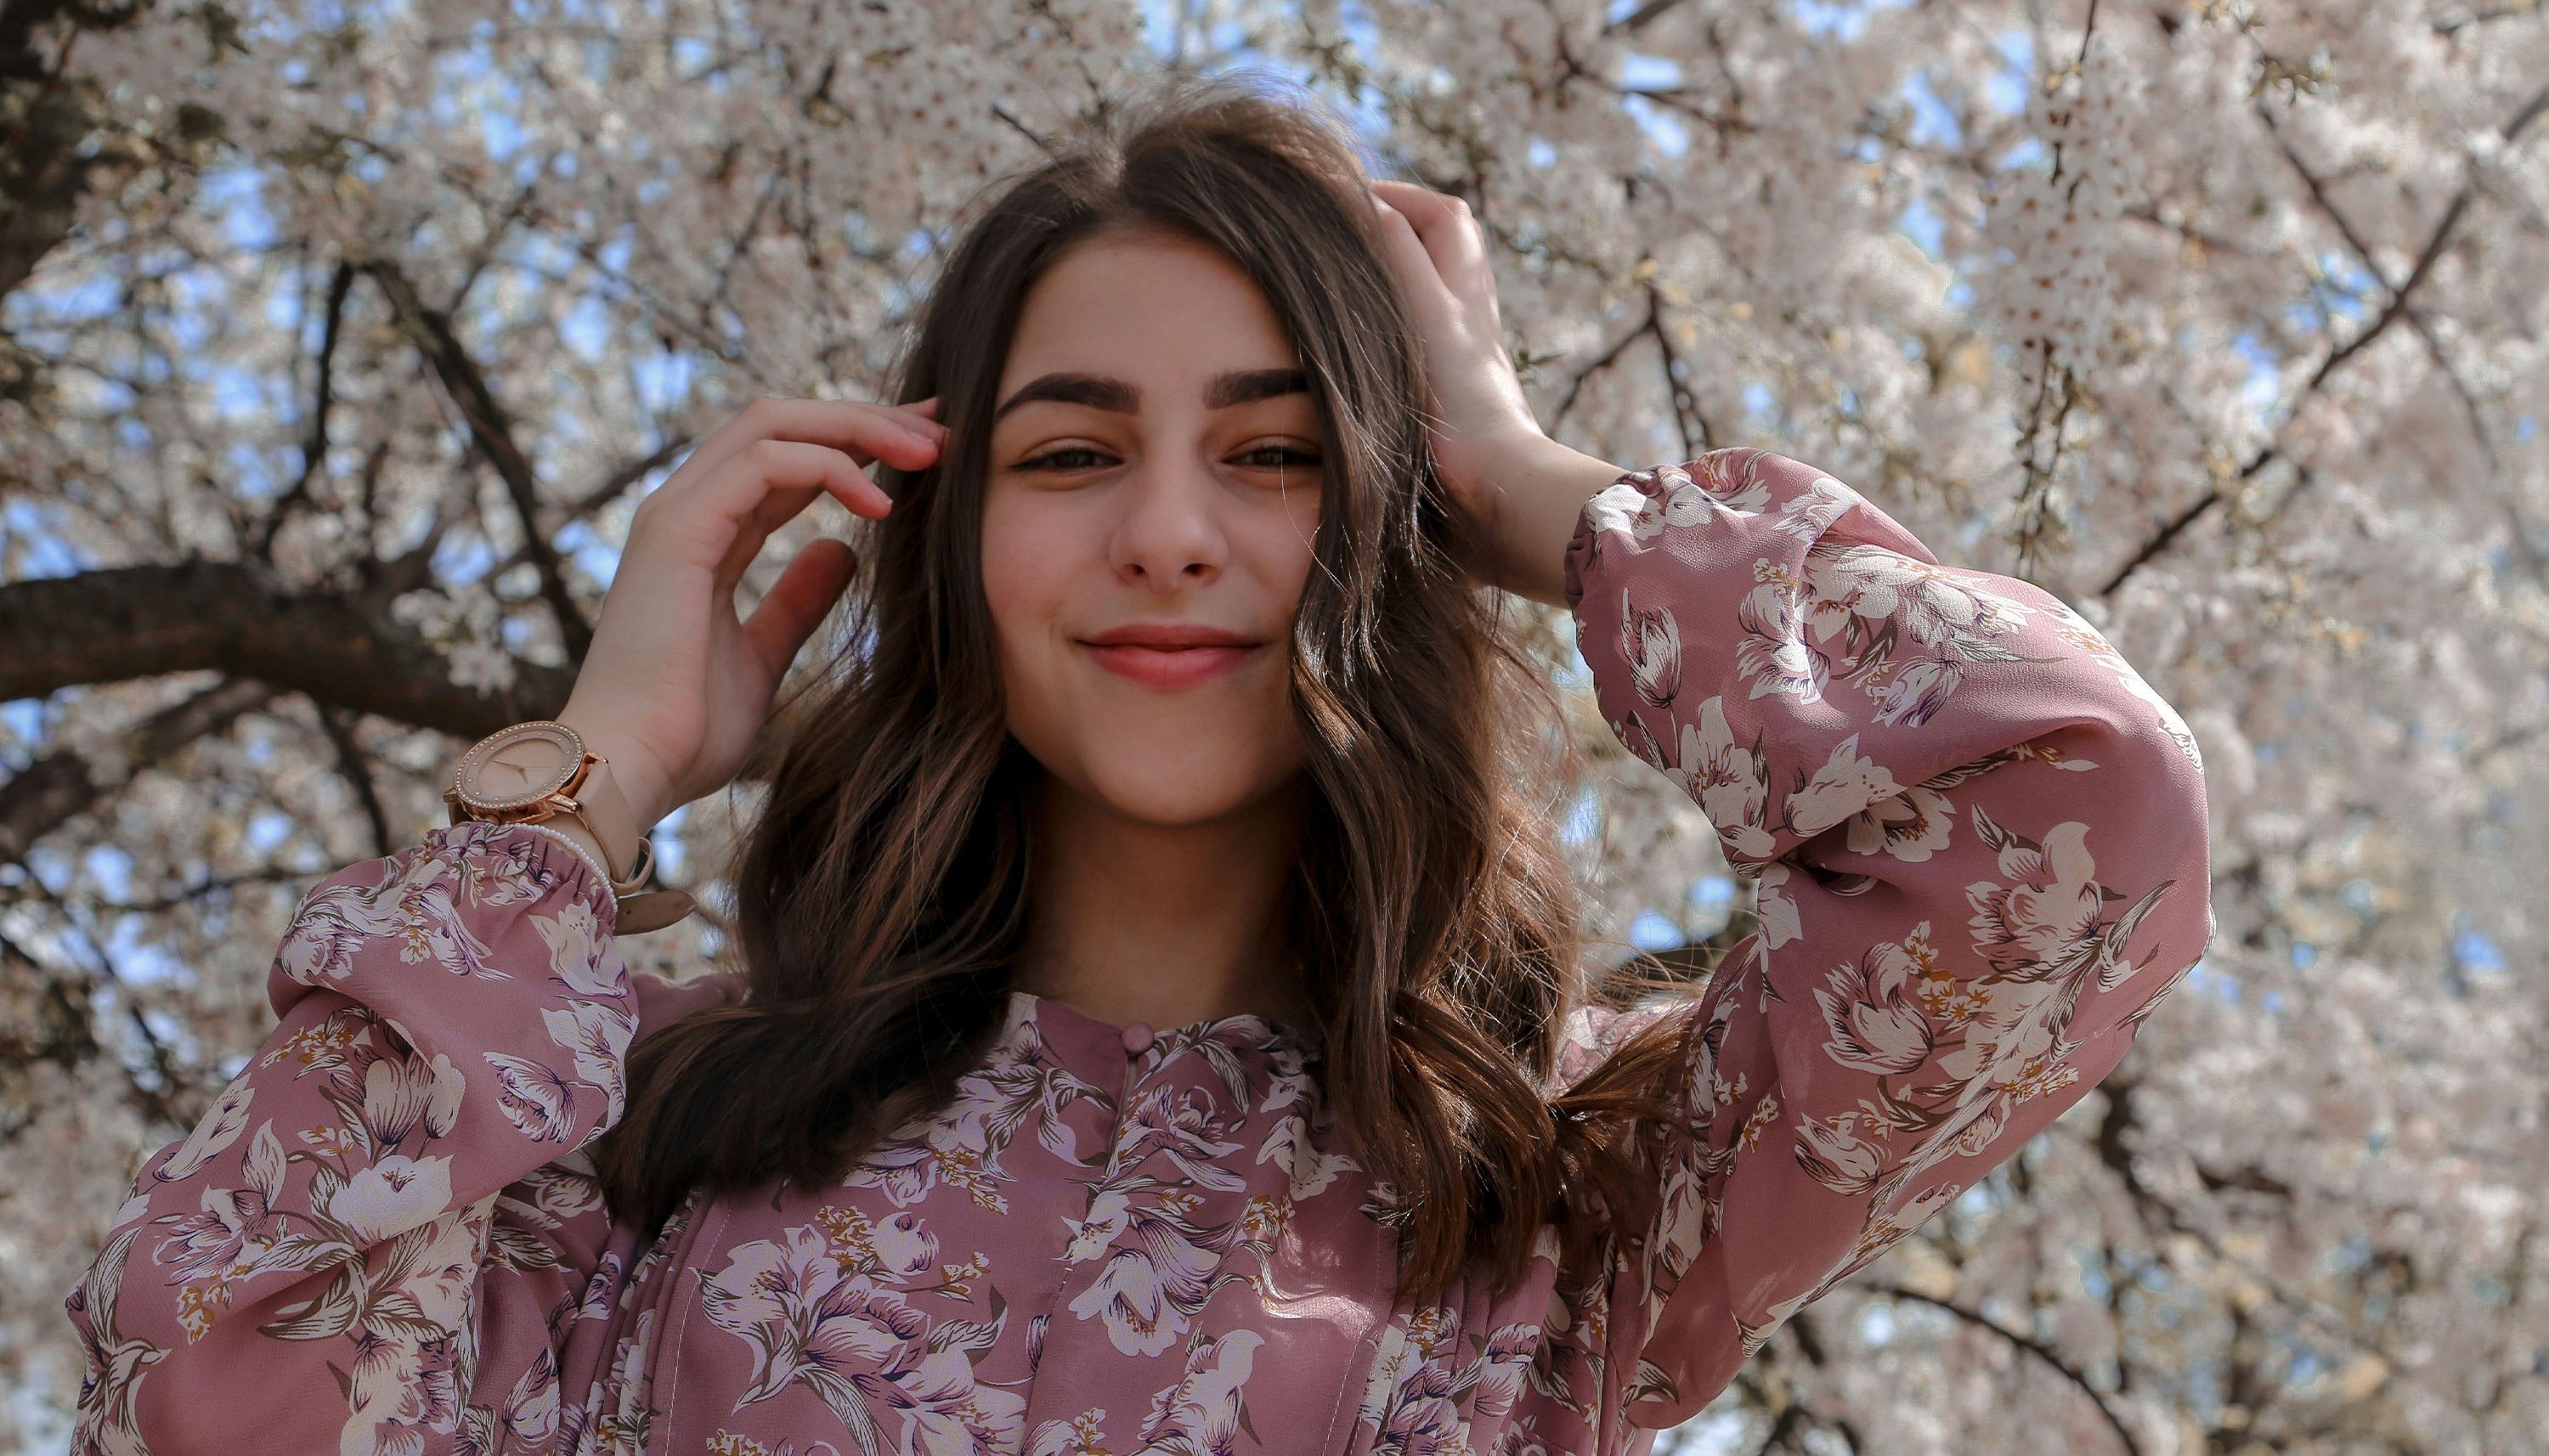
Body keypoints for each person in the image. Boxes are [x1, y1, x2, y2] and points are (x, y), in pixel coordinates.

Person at [63, 72, 2213, 1456]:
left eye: (1277, 455)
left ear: (1387, 530)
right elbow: (212, 1368)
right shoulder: (638, 1130)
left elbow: (2072, 797)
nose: (1173, 527)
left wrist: (1527, 476)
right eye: (1075, 449)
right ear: (950, 544)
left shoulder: (1587, 1186)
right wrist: (596, 775)